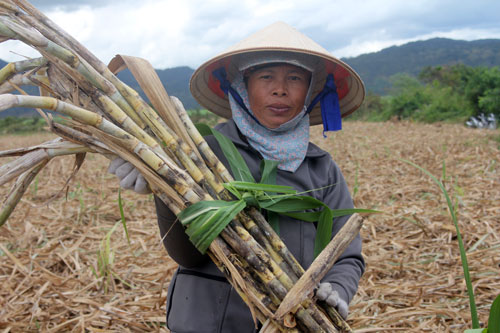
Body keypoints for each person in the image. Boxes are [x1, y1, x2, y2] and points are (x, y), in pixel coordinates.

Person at [109, 21, 365, 333]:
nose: (280, 89)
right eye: (266, 76)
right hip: (208, 323)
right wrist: (162, 185)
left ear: (311, 91)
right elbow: (186, 255)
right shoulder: (203, 152)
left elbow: (347, 254)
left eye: (295, 78)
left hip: (294, 324)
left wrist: (336, 288)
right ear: (240, 86)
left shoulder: (321, 167)